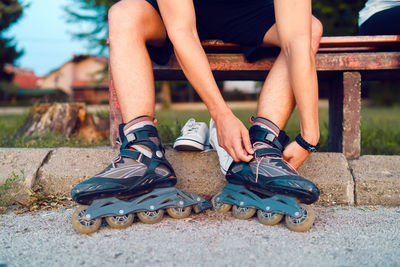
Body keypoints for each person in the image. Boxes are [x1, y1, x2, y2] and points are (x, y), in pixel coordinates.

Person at [71, 0, 322, 233]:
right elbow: (182, 31)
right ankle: (143, 152)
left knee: (309, 26)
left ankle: (261, 151)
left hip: (242, 9)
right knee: (123, 14)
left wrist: (309, 138)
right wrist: (221, 114)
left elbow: (297, 39)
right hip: (172, 15)